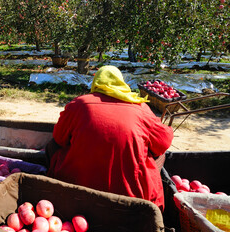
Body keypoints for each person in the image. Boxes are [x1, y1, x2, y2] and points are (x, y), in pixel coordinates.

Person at [46, 65, 174, 210]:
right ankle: (145, 190)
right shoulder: (140, 108)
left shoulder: (78, 104)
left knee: (52, 145)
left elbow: (59, 137)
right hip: (132, 197)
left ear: (96, 83)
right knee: (159, 153)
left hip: (75, 191)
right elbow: (164, 141)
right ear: (121, 83)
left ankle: (57, 183)